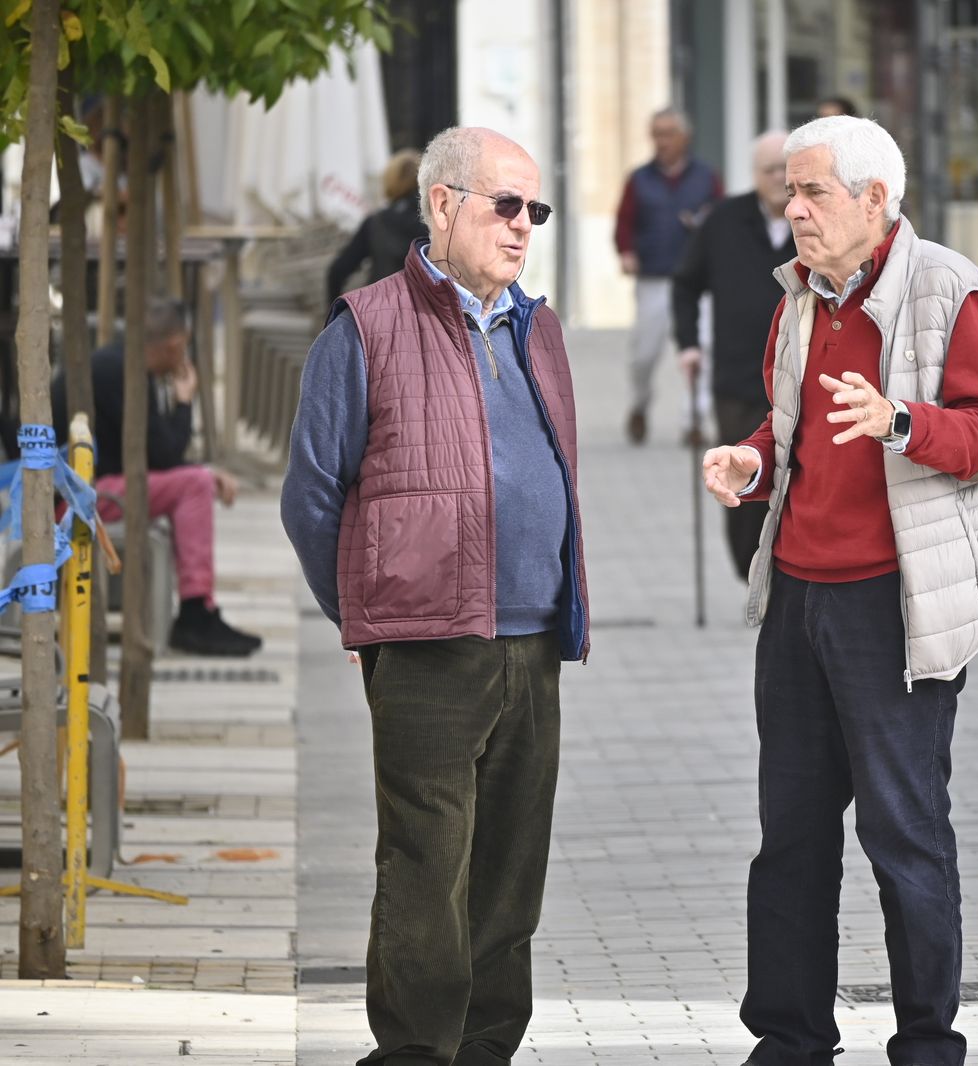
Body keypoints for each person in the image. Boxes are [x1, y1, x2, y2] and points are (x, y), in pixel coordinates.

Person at [700, 115, 978, 1066]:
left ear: (875, 200)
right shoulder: (797, 296)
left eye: (812, 193)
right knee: (791, 840)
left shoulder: (947, 291)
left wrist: (898, 422)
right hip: (798, 601)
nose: (792, 209)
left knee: (904, 835)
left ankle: (928, 1043)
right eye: (788, 193)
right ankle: (792, 1040)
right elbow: (791, 425)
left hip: (896, 607)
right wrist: (750, 461)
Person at [281, 125, 589, 1066]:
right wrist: (373, 614)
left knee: (510, 874)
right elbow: (311, 498)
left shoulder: (540, 327)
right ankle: (416, 1053)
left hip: (532, 638)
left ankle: (490, 1048)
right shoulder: (366, 325)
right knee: (426, 867)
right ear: (446, 203)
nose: (524, 225)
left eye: (536, 209)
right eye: (506, 204)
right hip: (424, 645)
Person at [51, 297, 261, 657]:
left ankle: (199, 609)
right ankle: (195, 612)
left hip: (88, 489)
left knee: (196, 479)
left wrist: (204, 470)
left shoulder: (118, 363)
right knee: (193, 485)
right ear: (176, 344)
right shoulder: (125, 373)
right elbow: (164, 455)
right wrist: (184, 401)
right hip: (74, 502)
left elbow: (150, 455)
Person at [672, 131, 795, 581]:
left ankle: (789, 571)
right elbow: (686, 284)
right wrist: (688, 345)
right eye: (770, 170)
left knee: (799, 477)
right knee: (741, 479)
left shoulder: (815, 220)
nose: (780, 178)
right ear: (754, 175)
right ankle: (751, 571)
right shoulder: (723, 221)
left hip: (805, 377)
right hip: (740, 378)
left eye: (787, 168)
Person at [615, 107, 723, 445]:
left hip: (696, 281)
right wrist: (627, 252)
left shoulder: (707, 178)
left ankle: (693, 420)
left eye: (668, 134)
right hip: (654, 278)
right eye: (656, 134)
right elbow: (624, 223)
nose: (661, 142)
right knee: (643, 354)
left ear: (685, 137)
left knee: (700, 349)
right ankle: (639, 404)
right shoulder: (640, 179)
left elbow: (722, 222)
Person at [325, 148, 429, 307]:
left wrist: (335, 317)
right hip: (427, 313)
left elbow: (337, 271)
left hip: (382, 312)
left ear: (390, 180)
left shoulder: (376, 222)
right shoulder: (437, 223)